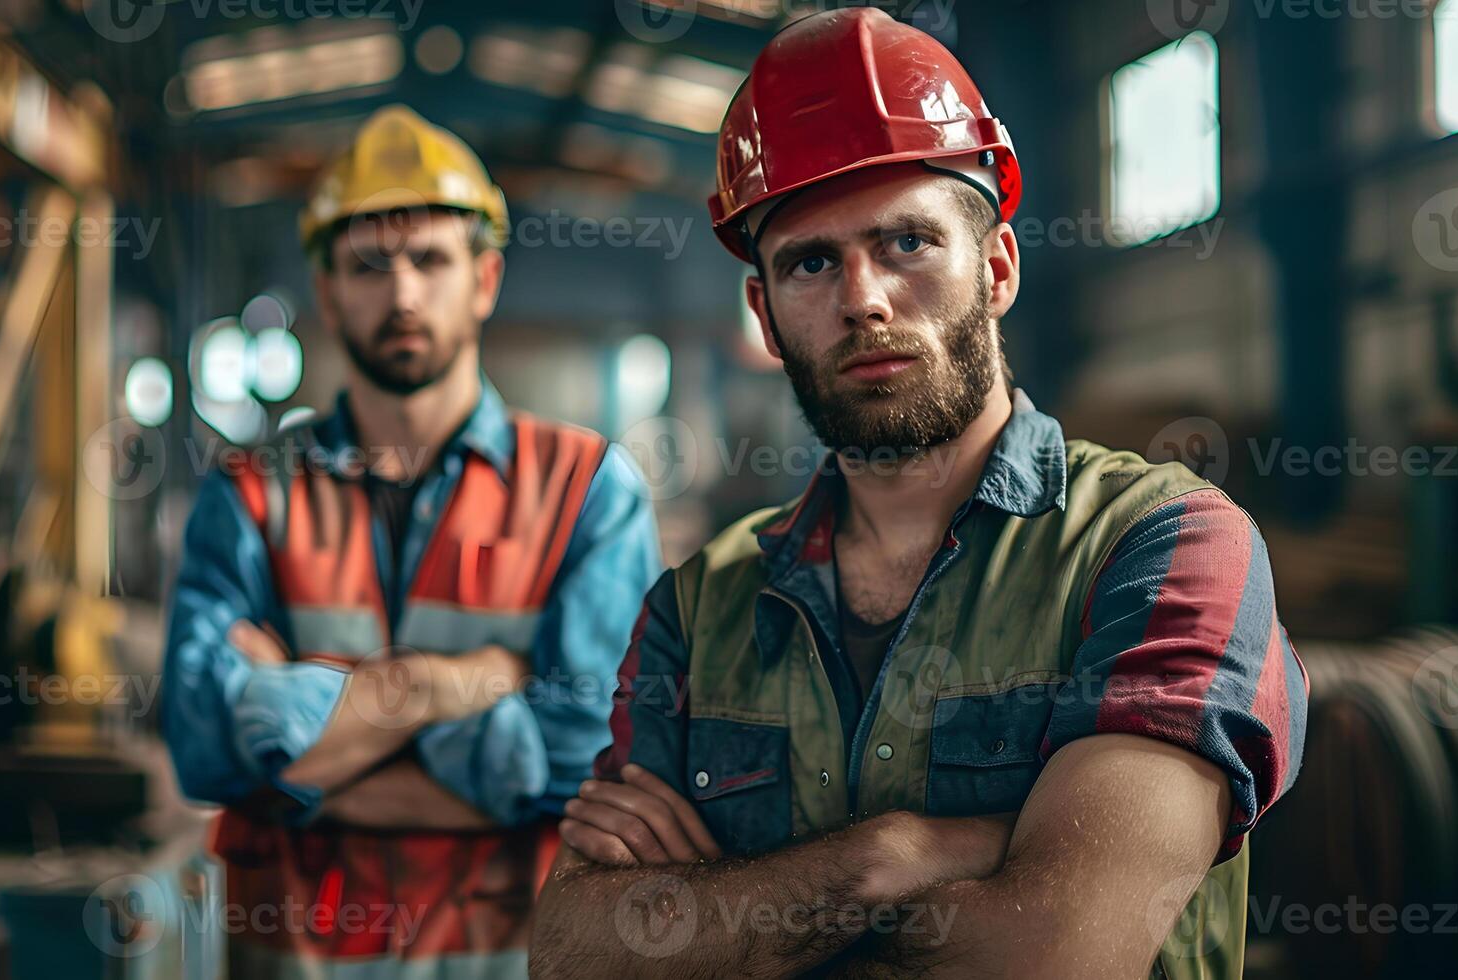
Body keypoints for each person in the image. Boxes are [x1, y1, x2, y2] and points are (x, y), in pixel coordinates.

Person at [530, 10, 1308, 979]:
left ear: (997, 267)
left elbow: (1053, 952)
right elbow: (577, 948)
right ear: (767, 318)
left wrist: (727, 906)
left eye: (907, 242)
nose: (863, 297)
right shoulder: (698, 606)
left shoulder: (1164, 548)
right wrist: (892, 855)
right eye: (811, 261)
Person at [160, 104, 661, 977]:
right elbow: (205, 749)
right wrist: (463, 686)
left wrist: (291, 762)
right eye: (368, 265)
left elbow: (588, 773)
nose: (400, 295)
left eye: (430, 260)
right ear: (325, 290)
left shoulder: (588, 491)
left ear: (484, 279)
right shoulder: (248, 490)